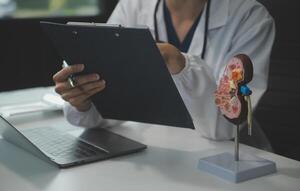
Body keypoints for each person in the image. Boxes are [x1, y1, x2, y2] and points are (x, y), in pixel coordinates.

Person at [53, 0, 275, 140]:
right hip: (157, 155)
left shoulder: (249, 18)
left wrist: (181, 65)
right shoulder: (133, 7)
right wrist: (85, 102)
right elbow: (114, 109)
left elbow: (226, 128)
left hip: (230, 165)